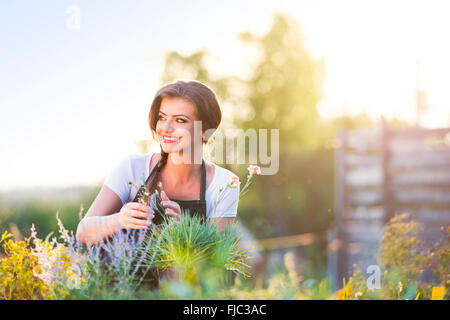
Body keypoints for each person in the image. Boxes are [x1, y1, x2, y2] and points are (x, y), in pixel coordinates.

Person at [76, 80, 240, 245]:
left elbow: (216, 260)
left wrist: (184, 231)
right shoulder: (132, 167)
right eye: (162, 117)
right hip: (122, 271)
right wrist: (119, 220)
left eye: (180, 120)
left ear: (204, 130)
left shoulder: (225, 183)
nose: (166, 128)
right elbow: (82, 232)